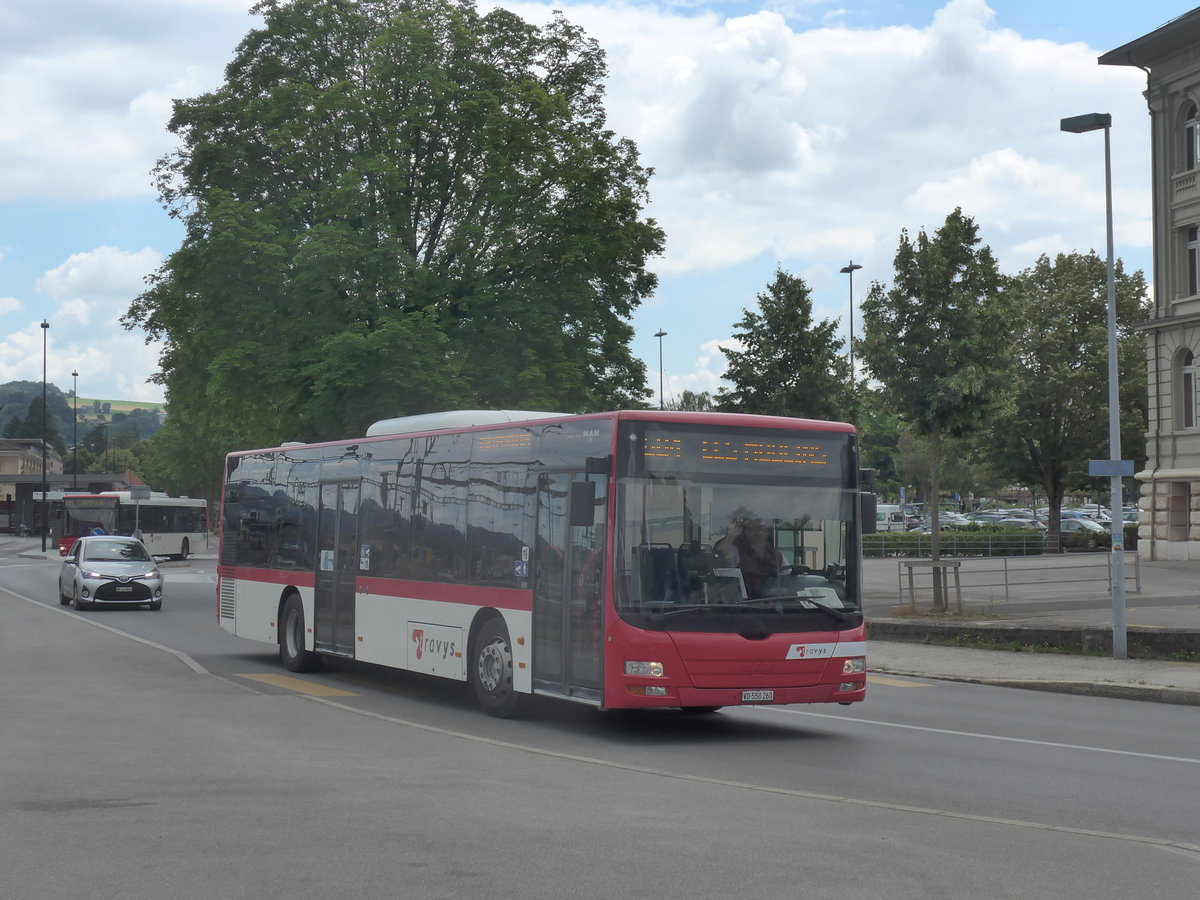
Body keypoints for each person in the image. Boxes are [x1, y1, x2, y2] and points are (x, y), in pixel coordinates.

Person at [718, 516, 786, 597]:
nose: (757, 533)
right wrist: (730, 537)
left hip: (771, 602)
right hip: (743, 604)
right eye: (753, 529)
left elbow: (790, 578)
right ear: (746, 532)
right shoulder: (736, 551)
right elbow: (720, 557)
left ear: (767, 532)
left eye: (761, 529)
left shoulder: (778, 556)